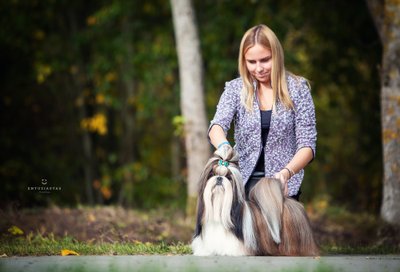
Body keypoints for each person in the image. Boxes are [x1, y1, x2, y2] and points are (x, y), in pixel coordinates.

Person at [208, 24, 317, 201]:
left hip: (282, 187)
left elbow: (307, 145)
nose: (259, 68)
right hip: (242, 186)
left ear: (277, 56)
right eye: (252, 62)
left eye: (265, 60)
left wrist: (286, 173)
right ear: (244, 61)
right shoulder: (235, 89)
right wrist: (223, 146)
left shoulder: (298, 89)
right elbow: (217, 126)